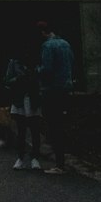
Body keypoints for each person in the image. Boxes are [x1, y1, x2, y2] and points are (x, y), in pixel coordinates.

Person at [38, 22, 75, 174]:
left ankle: (59, 163)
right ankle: (62, 160)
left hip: (51, 89)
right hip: (65, 87)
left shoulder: (47, 46)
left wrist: (36, 70)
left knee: (53, 124)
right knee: (61, 122)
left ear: (42, 32)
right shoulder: (65, 44)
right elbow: (72, 62)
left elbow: (47, 69)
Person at [4, 45, 43, 171]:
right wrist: (18, 79)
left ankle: (34, 157)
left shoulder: (35, 63)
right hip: (20, 98)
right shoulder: (14, 63)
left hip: (32, 98)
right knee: (21, 131)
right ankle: (21, 157)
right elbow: (8, 80)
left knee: (34, 130)